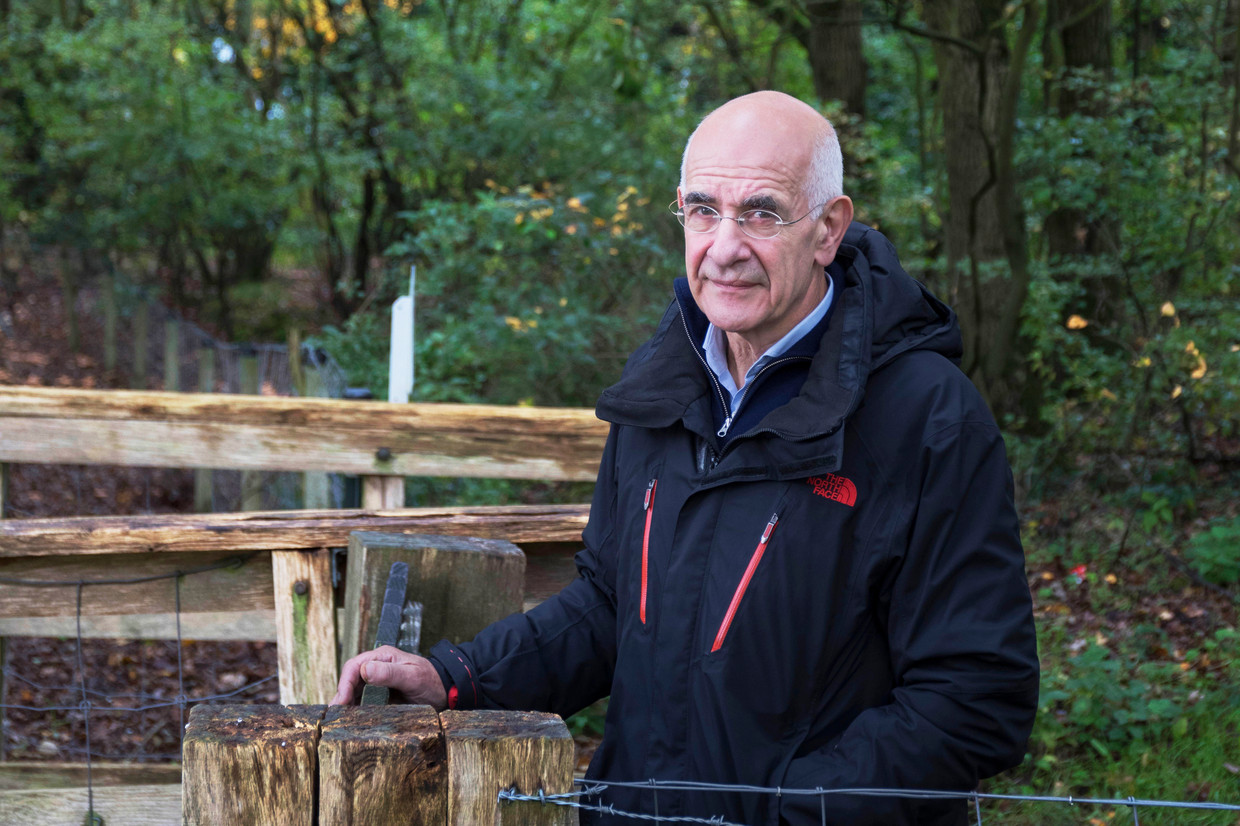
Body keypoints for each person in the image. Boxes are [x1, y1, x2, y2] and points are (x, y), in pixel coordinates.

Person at [332, 91, 1039, 825]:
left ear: (829, 230)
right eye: (703, 210)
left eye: (762, 212)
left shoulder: (928, 417)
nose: (724, 246)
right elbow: (612, 606)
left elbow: (975, 697)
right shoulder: (665, 388)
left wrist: (778, 814)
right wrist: (458, 677)